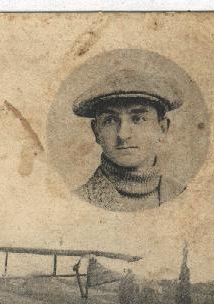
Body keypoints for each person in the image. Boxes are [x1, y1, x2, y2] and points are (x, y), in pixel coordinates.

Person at [72, 68, 186, 211]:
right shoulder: (76, 203)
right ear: (96, 132)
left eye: (138, 119)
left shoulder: (183, 195)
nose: (123, 134)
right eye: (110, 120)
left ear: (162, 128)